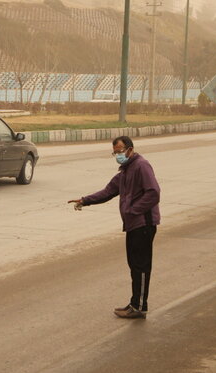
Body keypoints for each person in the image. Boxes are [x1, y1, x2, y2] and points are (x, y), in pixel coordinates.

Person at [68, 136, 160, 319]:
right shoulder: (125, 171)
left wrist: (133, 210)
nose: (118, 155)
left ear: (130, 150)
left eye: (120, 151)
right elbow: (108, 191)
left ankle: (140, 306)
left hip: (144, 224)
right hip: (134, 224)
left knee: (141, 266)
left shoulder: (142, 166)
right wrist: (85, 200)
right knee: (134, 266)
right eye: (115, 152)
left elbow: (153, 193)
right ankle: (135, 303)